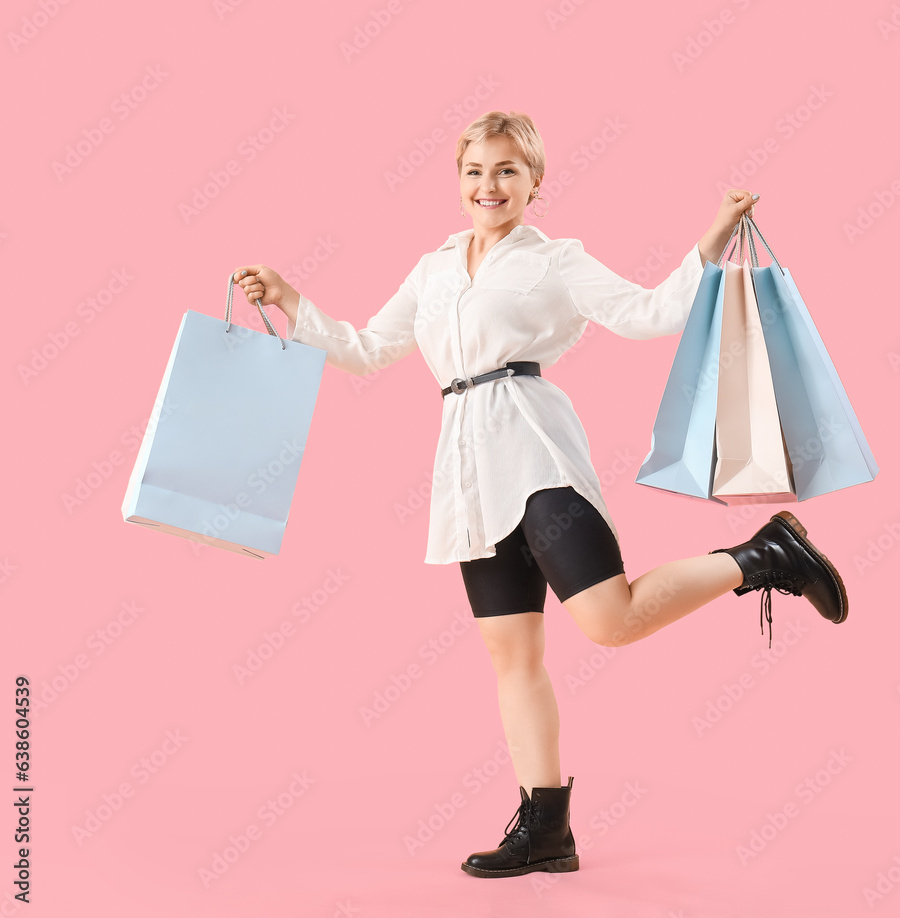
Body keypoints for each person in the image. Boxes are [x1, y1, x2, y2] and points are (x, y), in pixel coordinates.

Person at [232, 110, 847, 880]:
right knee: (512, 655)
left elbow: (648, 313)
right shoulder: (432, 269)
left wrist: (714, 237)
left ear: (534, 183)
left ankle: (761, 555)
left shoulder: (557, 259)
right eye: (474, 172)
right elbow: (365, 352)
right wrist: (292, 300)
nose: (488, 186)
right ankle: (546, 830)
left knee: (610, 620)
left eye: (506, 171)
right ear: (457, 181)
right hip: (464, 475)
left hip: (533, 456)